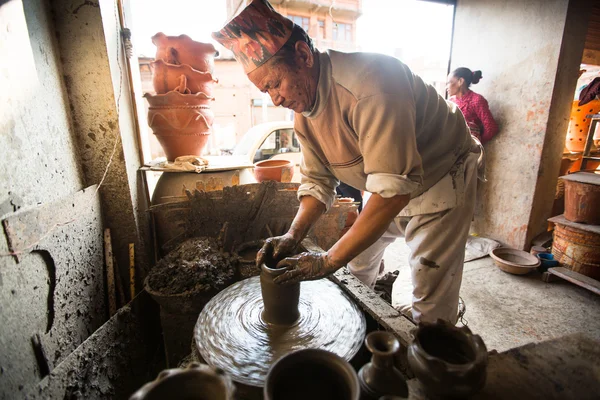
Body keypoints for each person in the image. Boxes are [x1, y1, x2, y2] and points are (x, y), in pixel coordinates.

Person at [213, 0, 479, 324]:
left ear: (303, 55)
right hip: (387, 183)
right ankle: (356, 329)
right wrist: (292, 235)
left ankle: (428, 351)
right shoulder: (304, 114)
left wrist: (325, 261)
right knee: (356, 268)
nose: (275, 99)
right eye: (265, 90)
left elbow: (393, 193)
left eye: (275, 83)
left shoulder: (372, 84)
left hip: (441, 175)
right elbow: (317, 183)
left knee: (431, 303)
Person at [447, 68, 498, 144]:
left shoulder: (477, 100)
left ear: (460, 81)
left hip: (466, 149)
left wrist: (476, 144)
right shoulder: (450, 101)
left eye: (449, 82)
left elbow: (491, 128)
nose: (446, 87)